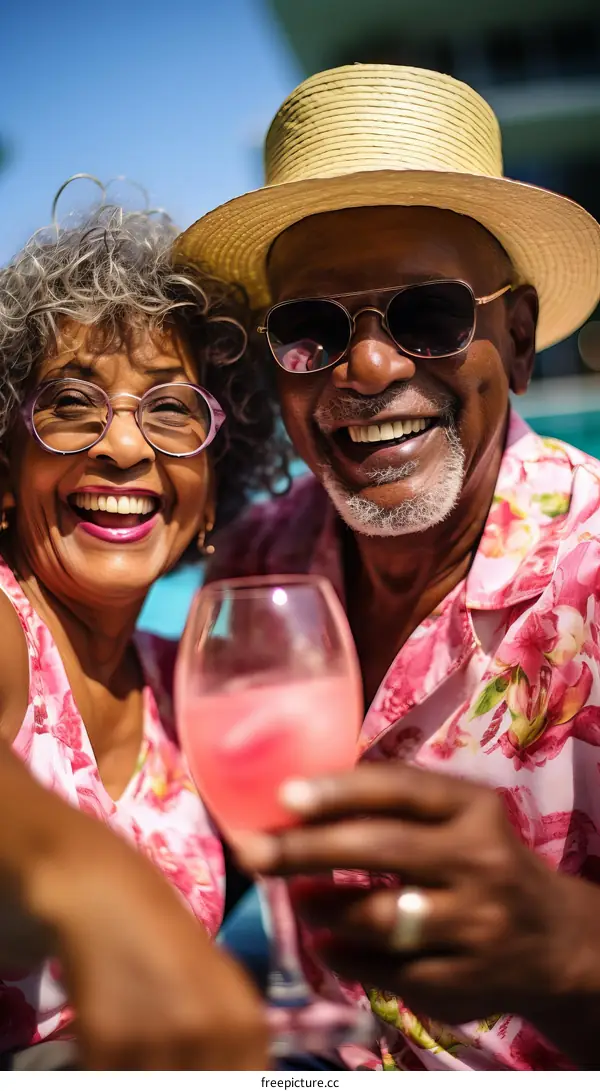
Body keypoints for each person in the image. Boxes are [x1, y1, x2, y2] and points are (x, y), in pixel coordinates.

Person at [177, 64, 600, 1071]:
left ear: (521, 336)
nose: (367, 371)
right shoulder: (258, 558)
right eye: (311, 328)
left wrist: (576, 958)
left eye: (430, 314)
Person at [0, 195, 289, 1069]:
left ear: (211, 483)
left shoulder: (188, 685)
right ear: (4, 474)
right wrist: (85, 875)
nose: (124, 448)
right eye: (72, 405)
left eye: (170, 411)